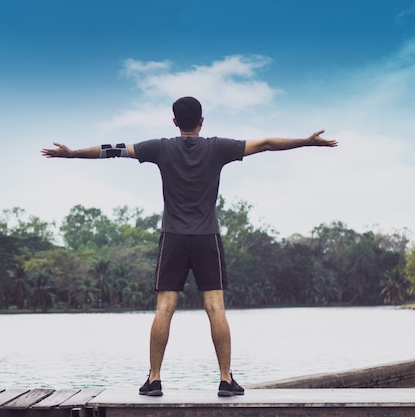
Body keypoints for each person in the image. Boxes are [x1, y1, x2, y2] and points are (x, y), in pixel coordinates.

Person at [41, 96, 338, 397]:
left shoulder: (159, 147)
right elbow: (266, 144)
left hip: (173, 237)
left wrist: (73, 154)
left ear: (174, 121)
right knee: (215, 307)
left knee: (164, 307)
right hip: (206, 237)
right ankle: (225, 379)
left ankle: (154, 379)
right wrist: (307, 141)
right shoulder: (218, 147)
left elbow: (112, 150)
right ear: (202, 121)